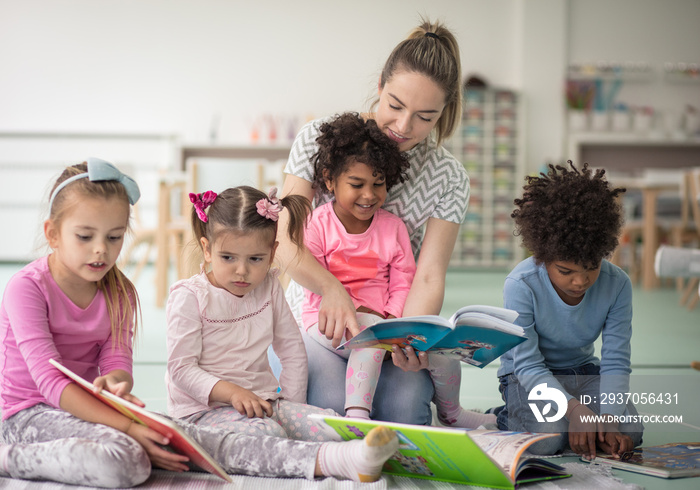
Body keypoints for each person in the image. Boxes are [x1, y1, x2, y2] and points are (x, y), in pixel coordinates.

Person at [0, 159, 399, 487]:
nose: (102, 250)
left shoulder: (118, 291)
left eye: (116, 237)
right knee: (130, 462)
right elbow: (50, 384)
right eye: (85, 236)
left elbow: (116, 362)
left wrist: (119, 387)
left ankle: (344, 454)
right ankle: (7, 457)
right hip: (27, 413)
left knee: (165, 449)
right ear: (52, 234)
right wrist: (125, 423)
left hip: (94, 409)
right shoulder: (26, 289)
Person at [274, 18, 470, 426]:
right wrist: (331, 289)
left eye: (425, 117)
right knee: (330, 408)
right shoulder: (319, 140)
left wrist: (406, 337)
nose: (403, 126)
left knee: (404, 414)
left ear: (444, 113)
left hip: (392, 316)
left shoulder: (449, 177)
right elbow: (286, 242)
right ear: (380, 84)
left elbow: (429, 276)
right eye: (395, 105)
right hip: (318, 317)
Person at [302, 112, 495, 429]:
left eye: (379, 184)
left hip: (385, 326)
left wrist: (393, 319)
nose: (369, 195)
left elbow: (404, 282)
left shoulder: (393, 228)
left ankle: (452, 413)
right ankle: (357, 415)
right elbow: (316, 287)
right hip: (328, 326)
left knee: (442, 350)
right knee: (368, 332)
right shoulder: (317, 224)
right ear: (328, 180)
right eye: (357, 184)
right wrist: (364, 317)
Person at [166, 185, 341, 441]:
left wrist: (292, 407)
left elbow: (292, 351)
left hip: (264, 403)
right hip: (203, 412)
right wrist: (234, 393)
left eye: (255, 259)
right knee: (268, 434)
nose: (241, 271)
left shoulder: (269, 286)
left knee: (333, 427)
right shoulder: (190, 297)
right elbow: (181, 370)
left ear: (272, 253)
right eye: (228, 258)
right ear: (207, 249)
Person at [495, 161, 644, 459]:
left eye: (592, 268)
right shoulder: (521, 284)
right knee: (548, 441)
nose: (580, 281)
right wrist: (575, 410)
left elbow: (615, 361)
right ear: (542, 257)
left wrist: (609, 420)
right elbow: (527, 366)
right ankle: (503, 414)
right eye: (565, 271)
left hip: (583, 372)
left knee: (630, 431)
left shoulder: (618, 285)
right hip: (526, 377)